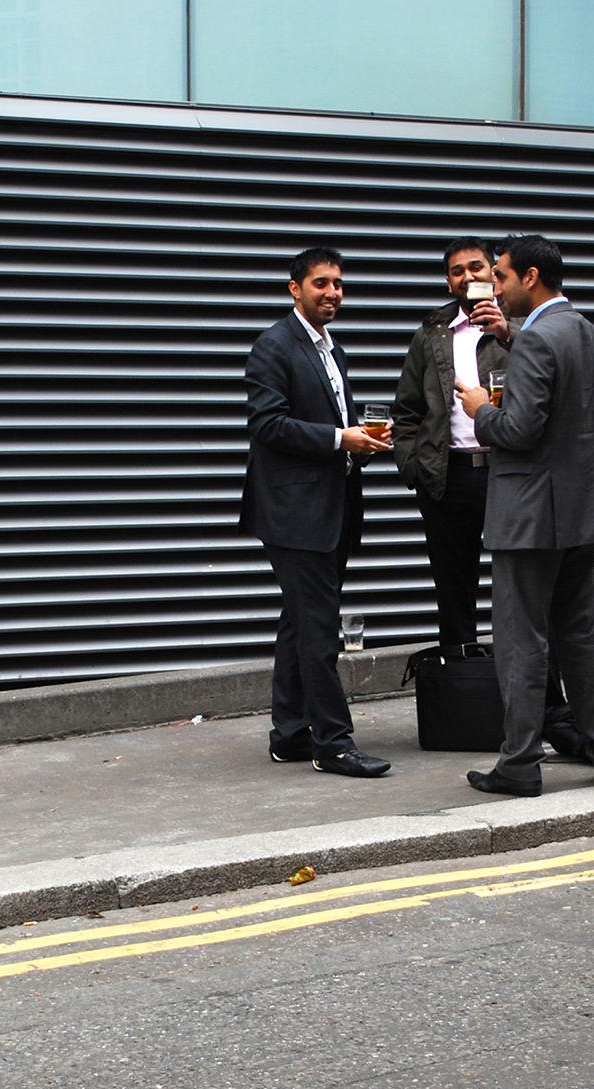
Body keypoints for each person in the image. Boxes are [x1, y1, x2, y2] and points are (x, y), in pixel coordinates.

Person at [454, 235, 594, 796]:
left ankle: (520, 764)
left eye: (501, 277)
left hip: (530, 518)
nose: (495, 289)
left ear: (531, 277)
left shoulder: (534, 344)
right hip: (583, 513)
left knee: (519, 640)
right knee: (580, 634)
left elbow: (519, 431)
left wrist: (483, 410)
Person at [240, 247, 395, 777]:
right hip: (294, 514)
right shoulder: (273, 347)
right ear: (295, 289)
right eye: (321, 283)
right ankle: (332, 744)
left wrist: (364, 443)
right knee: (321, 628)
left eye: (338, 285)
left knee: (300, 624)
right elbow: (267, 424)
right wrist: (339, 438)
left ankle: (289, 734)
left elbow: (339, 424)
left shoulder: (334, 350)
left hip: (331, 509)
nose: (332, 293)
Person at [390, 236, 514, 645]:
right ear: (448, 282)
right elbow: (407, 410)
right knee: (454, 591)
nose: (468, 276)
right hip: (448, 476)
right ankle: (463, 691)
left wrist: (507, 330)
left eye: (476, 267)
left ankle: (536, 695)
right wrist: (415, 469)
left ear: (494, 275)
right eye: (457, 271)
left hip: (510, 474)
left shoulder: (520, 325)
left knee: (521, 586)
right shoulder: (431, 334)